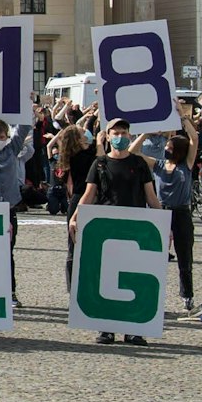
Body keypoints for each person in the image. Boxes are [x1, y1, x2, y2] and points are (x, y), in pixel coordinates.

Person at [73, 118, 163, 346]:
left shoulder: (139, 163)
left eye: (124, 132)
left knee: (133, 278)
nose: (120, 136)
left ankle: (133, 329)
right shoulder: (100, 164)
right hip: (107, 229)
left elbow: (151, 197)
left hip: (135, 228)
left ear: (129, 135)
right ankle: (107, 328)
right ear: (108, 135)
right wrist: (75, 216)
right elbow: (89, 195)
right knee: (108, 277)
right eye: (116, 132)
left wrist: (164, 223)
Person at [0, 118, 35, 308]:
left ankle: (9, 292)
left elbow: (23, 127)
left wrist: (27, 106)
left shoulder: (12, 150)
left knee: (7, 251)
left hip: (9, 209)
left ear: (6, 137)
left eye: (1, 137)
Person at [153, 134, 197, 311]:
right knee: (154, 256)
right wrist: (145, 134)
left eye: (170, 148)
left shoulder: (185, 165)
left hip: (181, 213)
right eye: (166, 147)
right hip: (161, 211)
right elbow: (134, 152)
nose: (166, 150)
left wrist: (184, 117)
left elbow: (193, 138)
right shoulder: (159, 164)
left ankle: (187, 295)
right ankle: (150, 293)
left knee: (184, 258)